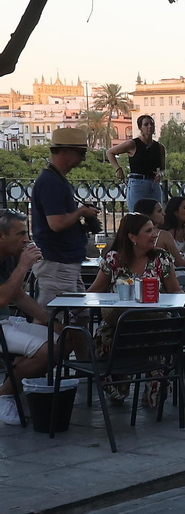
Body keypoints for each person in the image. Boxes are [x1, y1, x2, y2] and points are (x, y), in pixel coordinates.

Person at [88, 212, 184, 402]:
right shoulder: (113, 259)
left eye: (154, 230)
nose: (155, 234)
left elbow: (175, 290)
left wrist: (181, 301)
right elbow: (94, 291)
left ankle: (154, 390)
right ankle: (117, 386)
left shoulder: (161, 258)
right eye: (148, 231)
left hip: (154, 322)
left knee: (163, 335)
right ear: (132, 237)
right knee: (105, 336)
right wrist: (73, 308)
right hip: (119, 324)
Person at [29, 127, 99, 312]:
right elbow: (57, 223)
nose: (84, 158)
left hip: (64, 263)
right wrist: (81, 212)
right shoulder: (51, 182)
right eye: (81, 153)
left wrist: (81, 225)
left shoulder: (56, 180)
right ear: (65, 151)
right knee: (55, 319)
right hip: (57, 264)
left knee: (78, 316)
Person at [0, 209, 51, 426]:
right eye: (20, 234)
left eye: (26, 233)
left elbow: (19, 296)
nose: (26, 239)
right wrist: (23, 266)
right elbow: (3, 299)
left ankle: (15, 385)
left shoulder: (8, 257)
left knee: (65, 338)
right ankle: (5, 395)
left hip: (6, 323)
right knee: (47, 351)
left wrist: (51, 323)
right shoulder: (16, 260)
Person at [108, 115, 166, 211]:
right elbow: (110, 152)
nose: (149, 126)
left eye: (152, 124)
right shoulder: (132, 144)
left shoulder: (159, 147)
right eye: (146, 124)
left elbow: (163, 169)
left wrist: (161, 174)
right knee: (137, 214)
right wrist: (118, 169)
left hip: (154, 184)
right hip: (137, 183)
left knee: (156, 214)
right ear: (140, 128)